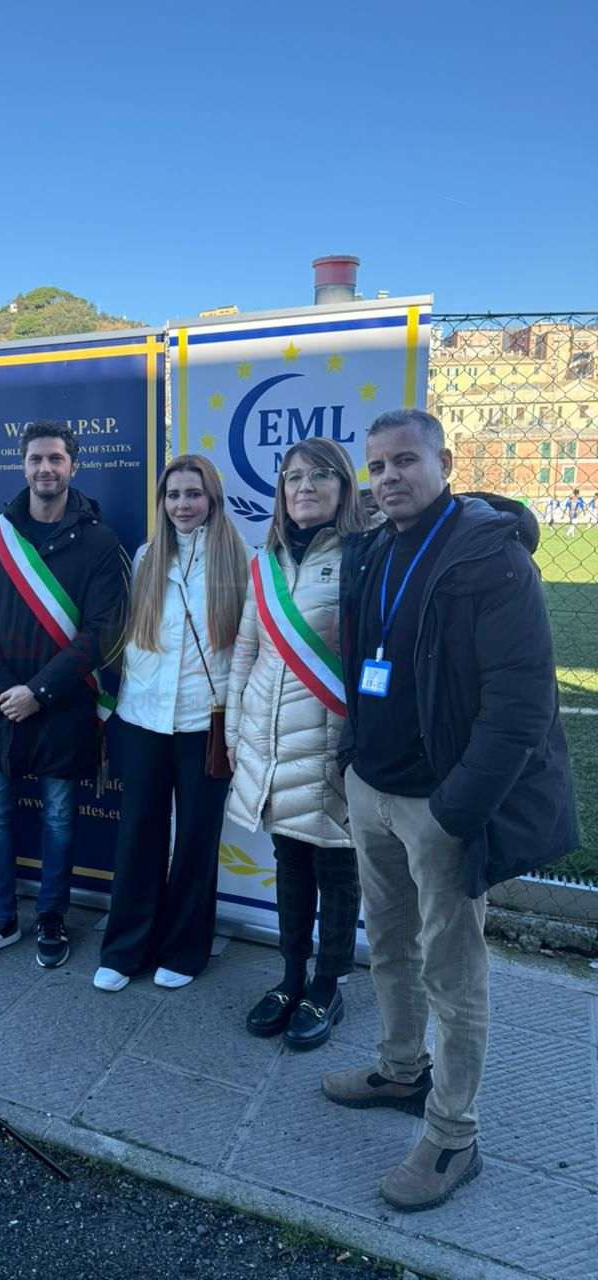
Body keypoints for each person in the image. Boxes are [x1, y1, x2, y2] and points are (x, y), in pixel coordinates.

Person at [321, 408, 578, 1212]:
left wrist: (454, 812)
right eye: (377, 466)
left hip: (438, 806)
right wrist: (351, 764)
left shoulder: (490, 558)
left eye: (405, 461)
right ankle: (402, 1070)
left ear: (446, 463)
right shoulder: (373, 548)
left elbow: (521, 707)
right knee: (388, 947)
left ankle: (453, 1135)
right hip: (373, 787)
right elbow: (361, 664)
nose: (389, 477)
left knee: (453, 972)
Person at [0, 421, 125, 971]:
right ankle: (0, 919)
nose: (45, 468)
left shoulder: (100, 541)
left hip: (63, 703)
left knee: (59, 818)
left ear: (73, 466)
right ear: (22, 465)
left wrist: (40, 691)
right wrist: (5, 688)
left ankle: (52, 915)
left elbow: (100, 630)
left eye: (55, 459)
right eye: (35, 459)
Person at [225, 439, 367, 1048]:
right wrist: (236, 732)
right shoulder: (266, 562)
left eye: (319, 476)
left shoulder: (365, 555)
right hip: (272, 739)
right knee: (288, 863)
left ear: (343, 486)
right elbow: (246, 652)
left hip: (334, 741)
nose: (304, 487)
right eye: (292, 477)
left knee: (336, 867)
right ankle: (290, 977)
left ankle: (327, 985)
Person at [94, 455, 249, 992]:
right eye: (174, 495)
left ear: (212, 498)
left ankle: (185, 949)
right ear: (162, 502)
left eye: (194, 494)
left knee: (197, 840)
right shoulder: (146, 557)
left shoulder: (242, 560)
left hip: (206, 723)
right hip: (143, 719)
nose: (183, 505)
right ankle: (125, 948)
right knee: (138, 833)